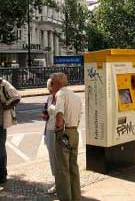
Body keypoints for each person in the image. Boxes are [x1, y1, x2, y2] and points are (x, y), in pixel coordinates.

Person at [51, 72, 82, 201]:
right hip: (74, 132)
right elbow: (79, 116)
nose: (51, 85)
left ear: (58, 83)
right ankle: (76, 197)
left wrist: (58, 127)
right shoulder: (75, 96)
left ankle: (65, 198)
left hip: (64, 133)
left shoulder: (60, 94)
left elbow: (59, 112)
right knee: (73, 167)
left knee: (62, 169)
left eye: (52, 83)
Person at [40, 78, 57, 194]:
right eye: (49, 90)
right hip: (49, 131)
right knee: (53, 158)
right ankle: (57, 181)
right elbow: (45, 113)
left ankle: (61, 183)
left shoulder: (62, 98)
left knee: (58, 159)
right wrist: (44, 115)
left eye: (51, 90)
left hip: (59, 131)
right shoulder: (49, 98)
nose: (50, 92)